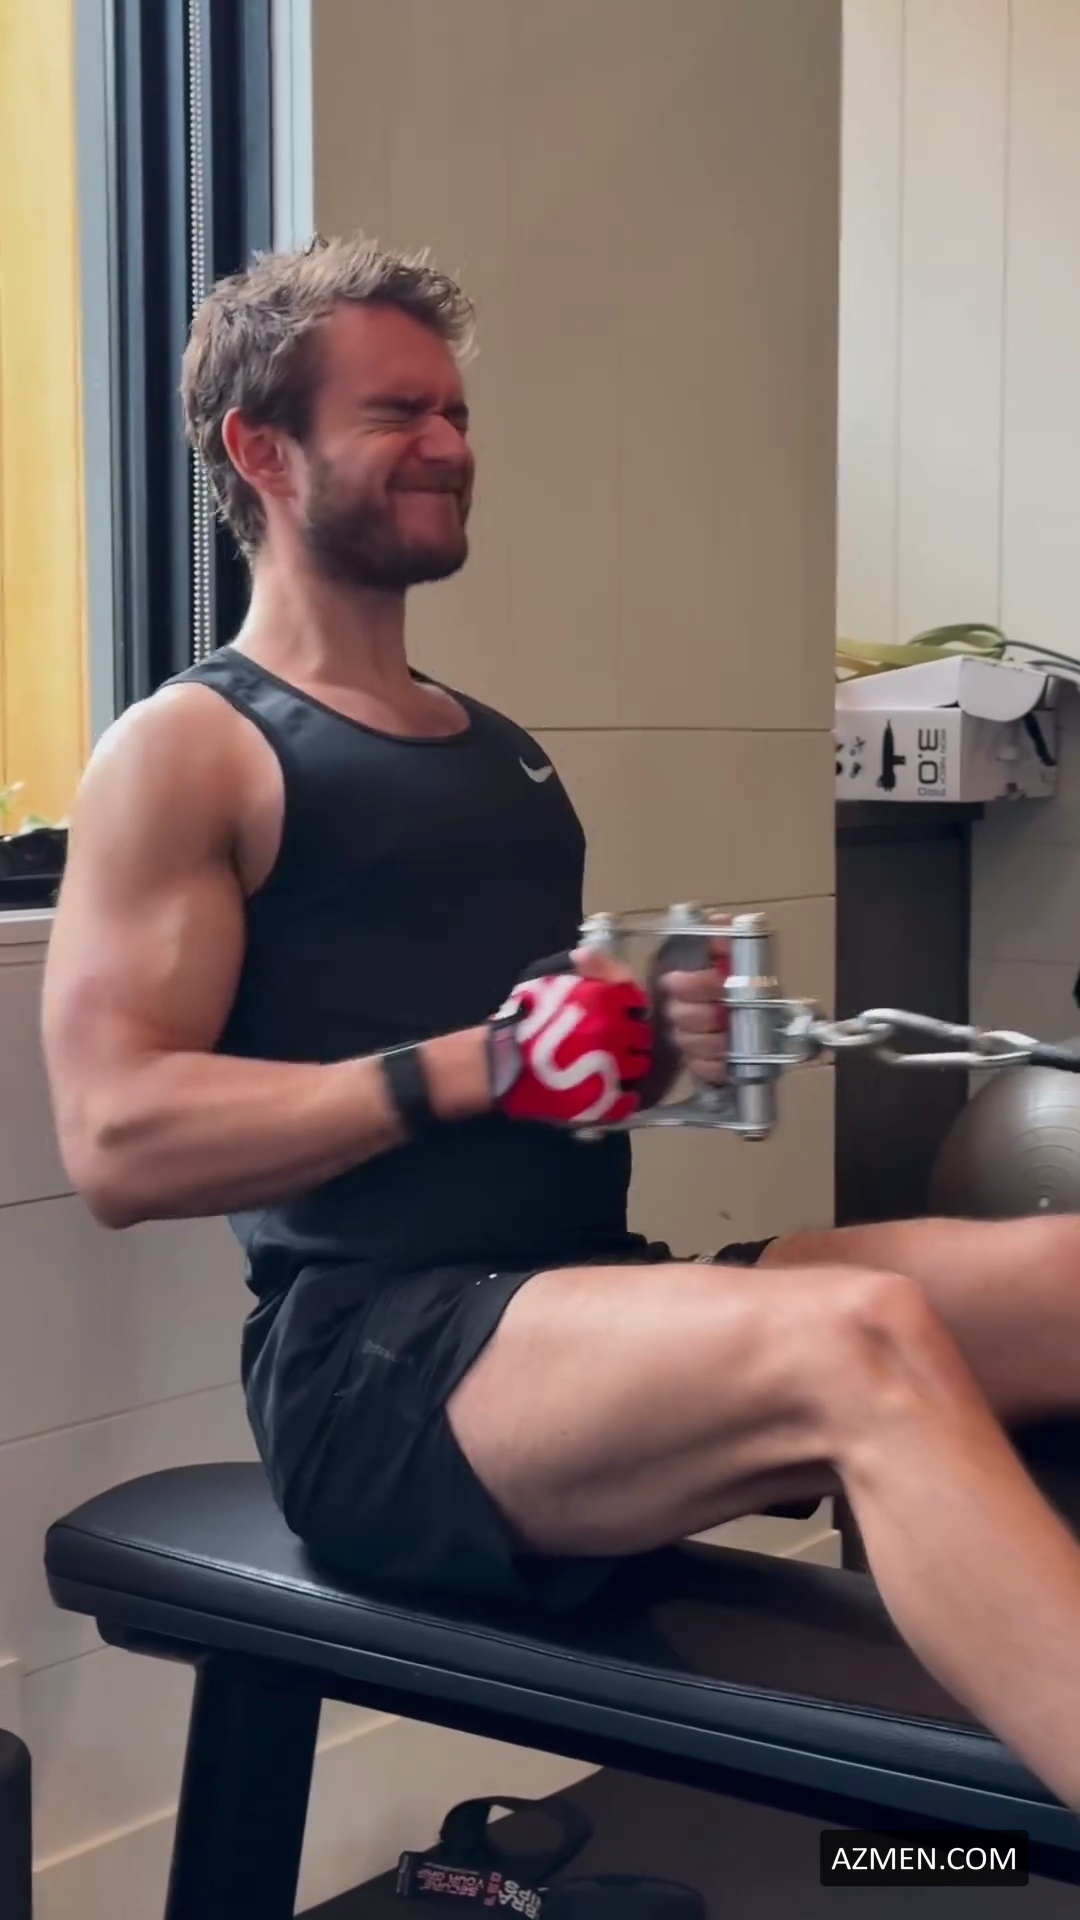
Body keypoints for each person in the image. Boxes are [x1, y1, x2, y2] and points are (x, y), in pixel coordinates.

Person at [41, 232, 1080, 1811]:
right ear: (262, 450)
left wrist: (641, 1054)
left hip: (581, 1300)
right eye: (398, 413)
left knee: (1062, 1278)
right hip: (381, 1371)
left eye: (456, 412)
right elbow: (118, 1142)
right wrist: (482, 1064)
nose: (449, 444)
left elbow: (532, 1082)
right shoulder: (191, 747)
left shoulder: (499, 751)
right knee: (860, 1337)